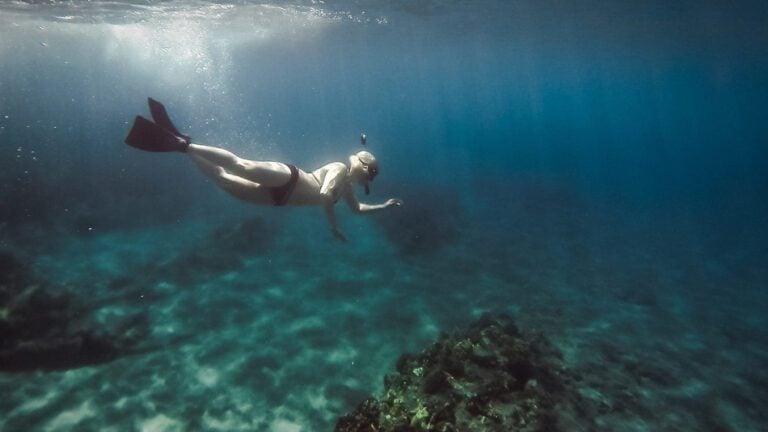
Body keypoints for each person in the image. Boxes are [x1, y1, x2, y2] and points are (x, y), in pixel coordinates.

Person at [124, 98, 402, 241]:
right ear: (362, 168)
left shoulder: (350, 189)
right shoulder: (340, 169)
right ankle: (184, 147)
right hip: (290, 178)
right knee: (240, 165)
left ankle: (182, 145)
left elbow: (358, 210)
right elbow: (327, 195)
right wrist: (333, 226)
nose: (368, 179)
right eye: (370, 174)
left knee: (224, 180)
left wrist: (385, 206)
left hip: (279, 199)